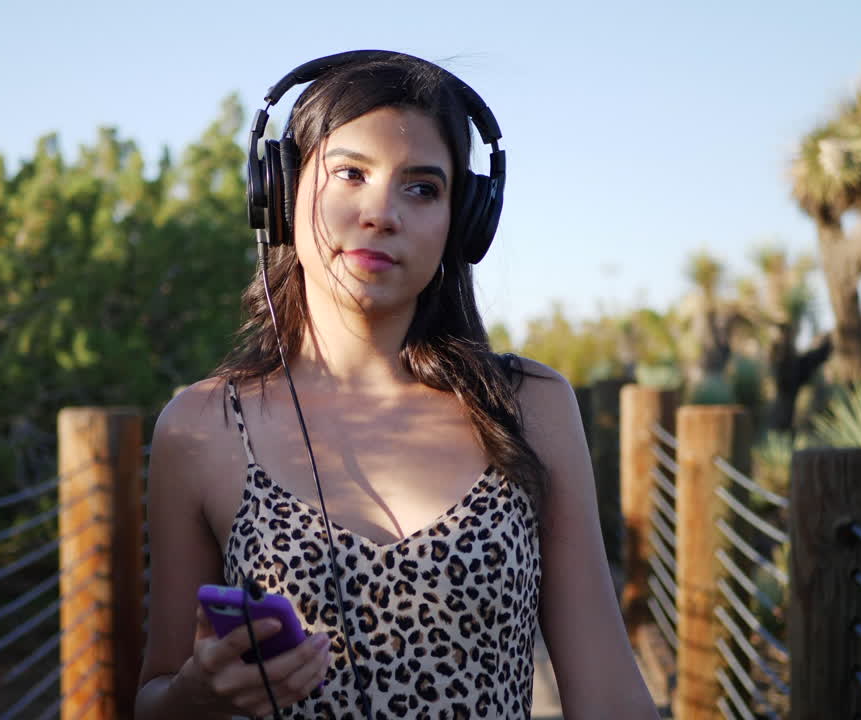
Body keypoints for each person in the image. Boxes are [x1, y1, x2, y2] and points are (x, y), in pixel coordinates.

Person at [135, 51, 657, 719]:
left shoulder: (528, 406)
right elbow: (154, 698)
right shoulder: (199, 427)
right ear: (281, 190)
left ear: (462, 220)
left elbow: (608, 693)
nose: (381, 212)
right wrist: (199, 696)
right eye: (350, 173)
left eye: (421, 187)